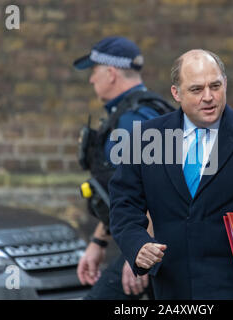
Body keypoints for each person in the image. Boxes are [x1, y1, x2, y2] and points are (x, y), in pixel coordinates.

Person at [109, 49, 233, 299]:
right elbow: (123, 205)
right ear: (176, 93)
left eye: (215, 86)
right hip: (171, 288)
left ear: (225, 84)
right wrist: (136, 244)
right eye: (196, 89)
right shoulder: (146, 139)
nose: (208, 97)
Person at [73, 36, 174, 299]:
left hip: (156, 244)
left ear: (111, 73)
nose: (91, 80)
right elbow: (123, 192)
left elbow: (158, 190)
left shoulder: (135, 121)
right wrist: (98, 241)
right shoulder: (134, 113)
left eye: (94, 72)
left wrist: (140, 251)